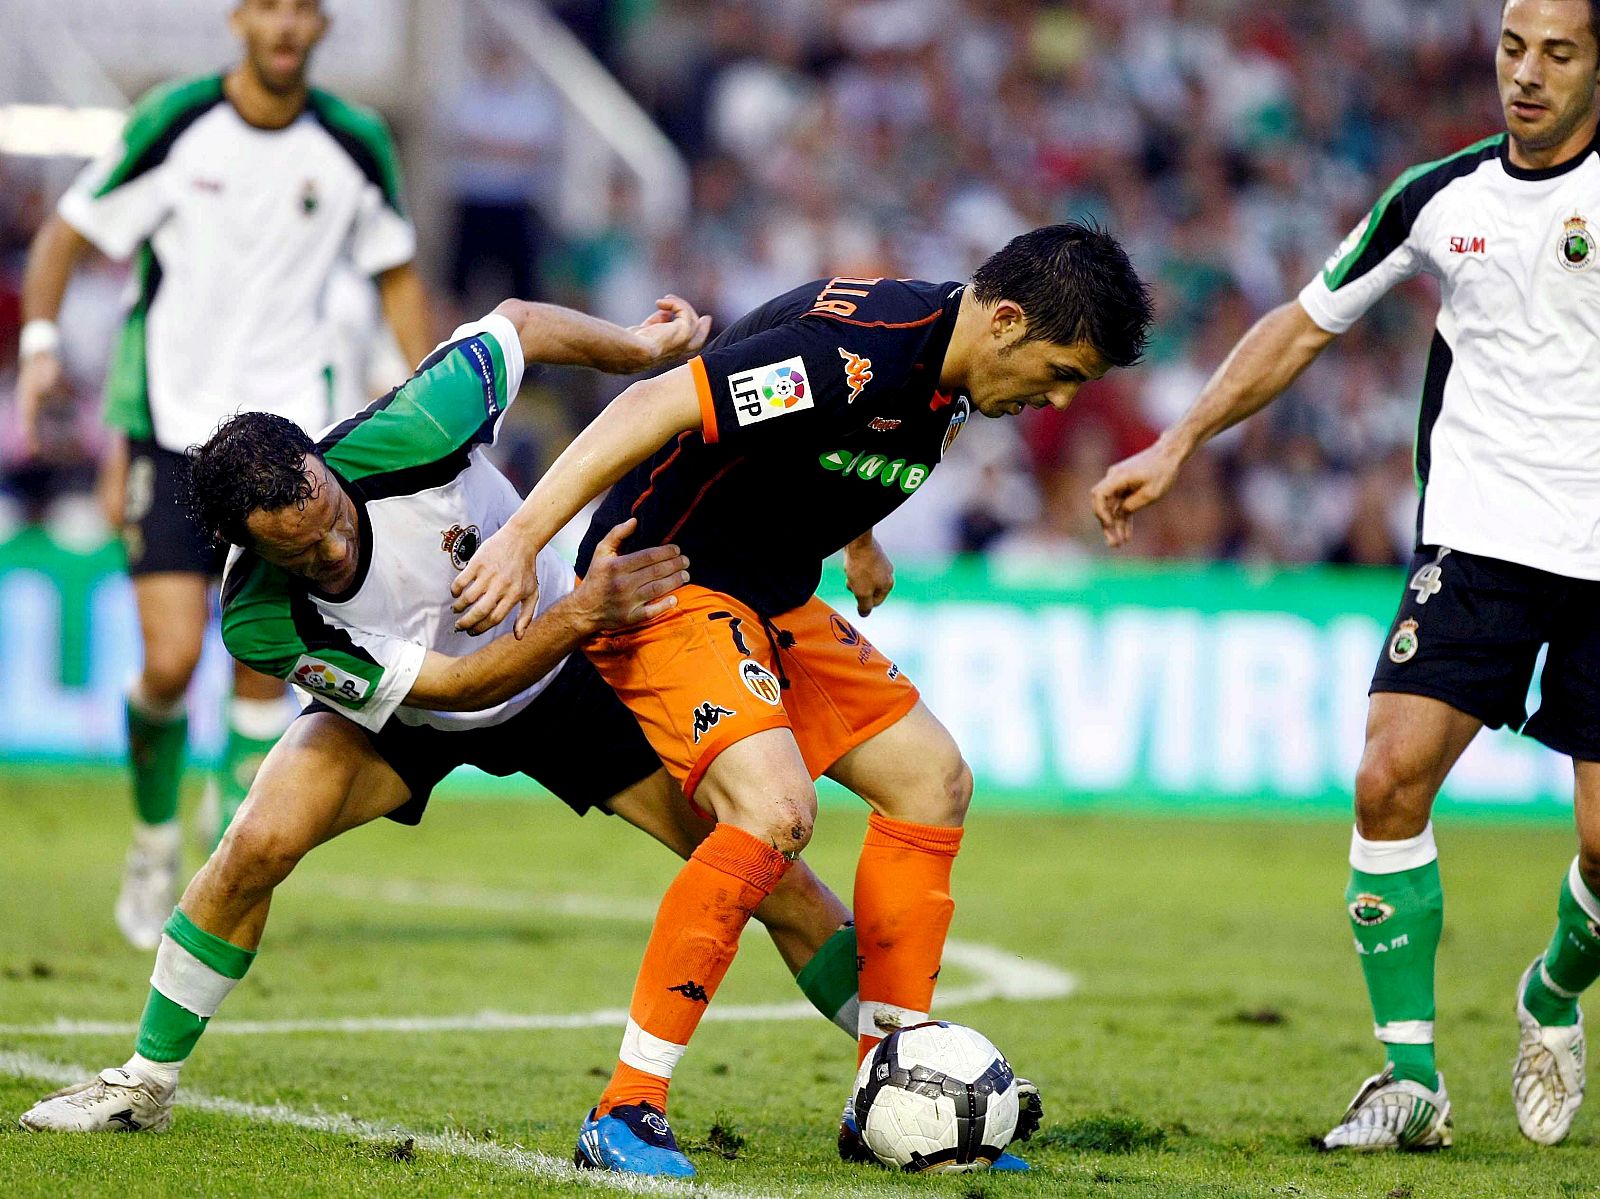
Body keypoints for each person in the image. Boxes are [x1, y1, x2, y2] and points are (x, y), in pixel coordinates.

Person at [18, 296, 868, 1135]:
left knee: (762, 862)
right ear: (253, 550)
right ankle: (145, 1081)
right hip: (426, 705)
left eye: (334, 519)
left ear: (320, 461)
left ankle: (898, 1054)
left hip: (569, 680)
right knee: (255, 844)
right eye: (305, 552)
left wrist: (634, 350)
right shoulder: (255, 617)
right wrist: (580, 613)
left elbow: (520, 324)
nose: (336, 549)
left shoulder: (420, 422)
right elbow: (455, 692)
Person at [450, 223, 1153, 1176]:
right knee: (778, 808)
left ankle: (892, 1095)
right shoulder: (853, 357)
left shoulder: (954, 374)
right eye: (1061, 370)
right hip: (667, 578)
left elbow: (840, 444)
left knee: (933, 780)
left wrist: (857, 537)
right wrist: (524, 536)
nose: (1059, 399)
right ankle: (625, 1107)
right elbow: (662, 402)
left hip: (773, 590)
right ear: (1007, 319)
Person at [1091, 0, 1600, 1153]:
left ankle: (1553, 988)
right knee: (1385, 780)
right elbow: (1303, 323)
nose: (1525, 75)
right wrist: (1177, 442)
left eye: (1557, 53)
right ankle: (1410, 1077)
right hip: (1477, 541)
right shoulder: (1436, 197)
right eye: (1512, 48)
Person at [11, 0, 433, 951]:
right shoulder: (174, 120)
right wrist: (39, 348)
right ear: (240, 18)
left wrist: (429, 399)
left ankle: (223, 864)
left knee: (261, 670)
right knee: (168, 659)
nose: (286, 25)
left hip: (292, 452)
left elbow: (396, 273)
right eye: (269, 6)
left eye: (303, 9)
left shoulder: (356, 143)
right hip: (170, 432)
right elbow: (64, 235)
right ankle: (154, 843)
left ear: (320, 25)